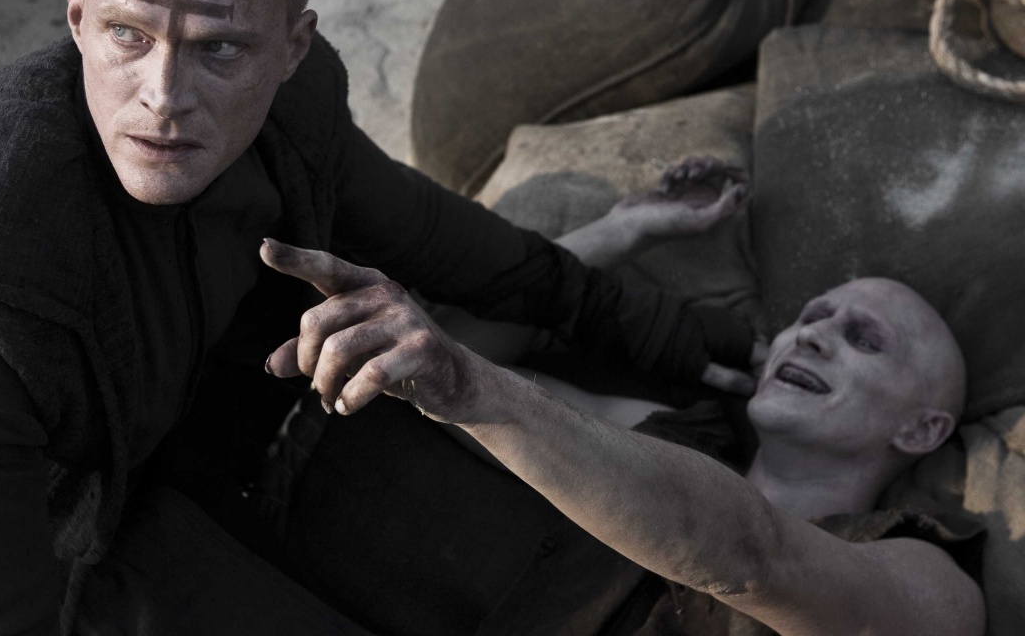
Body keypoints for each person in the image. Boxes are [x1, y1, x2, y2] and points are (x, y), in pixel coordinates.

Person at [0, 0, 756, 635]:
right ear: (76, 15)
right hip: (53, 552)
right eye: (127, 34)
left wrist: (679, 336)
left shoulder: (291, 116)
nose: (164, 96)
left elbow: (452, 245)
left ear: (291, 48)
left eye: (219, 48)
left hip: (210, 436)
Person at [260, 235, 987, 635]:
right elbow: (469, 363)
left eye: (864, 339)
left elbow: (753, 555)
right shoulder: (681, 434)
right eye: (813, 317)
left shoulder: (932, 574)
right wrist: (626, 228)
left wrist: (475, 389)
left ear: (923, 429)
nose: (813, 335)